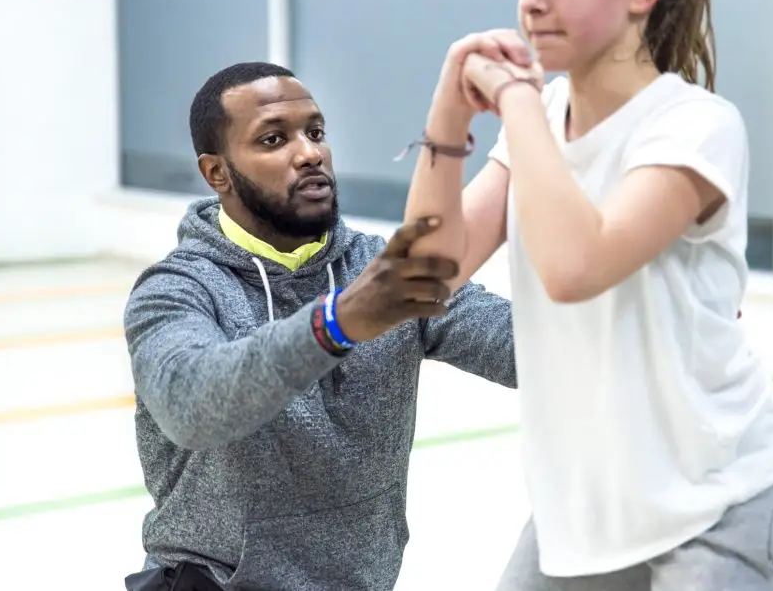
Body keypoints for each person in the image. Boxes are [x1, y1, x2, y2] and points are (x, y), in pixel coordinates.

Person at [401, 0, 773, 589]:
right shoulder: (540, 120)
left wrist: (516, 101)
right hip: (590, 513)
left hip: (723, 500)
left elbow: (575, 267)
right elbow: (423, 276)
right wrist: (447, 119)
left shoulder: (695, 126)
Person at [121, 61, 517, 591]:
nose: (309, 153)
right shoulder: (175, 289)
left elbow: (525, 352)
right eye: (273, 139)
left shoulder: (376, 272)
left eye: (315, 132)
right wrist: (337, 322)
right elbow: (191, 406)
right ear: (217, 173)